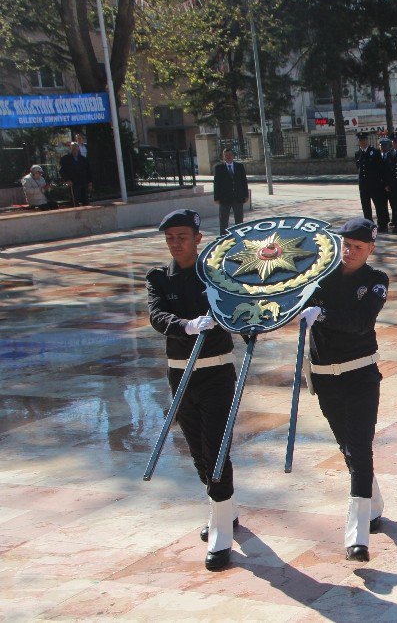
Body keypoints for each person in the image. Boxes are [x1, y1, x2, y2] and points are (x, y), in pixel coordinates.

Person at [146, 209, 239, 570]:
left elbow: (238, 307)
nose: (175, 242)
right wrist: (185, 325)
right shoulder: (159, 277)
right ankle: (225, 509)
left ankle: (221, 535)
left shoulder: (215, 274)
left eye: (182, 236)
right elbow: (156, 315)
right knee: (198, 450)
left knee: (217, 450)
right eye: (170, 237)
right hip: (180, 372)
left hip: (216, 371)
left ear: (198, 238)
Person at [299, 217, 388, 562]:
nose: (350, 253)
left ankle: (357, 538)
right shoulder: (319, 277)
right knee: (348, 449)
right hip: (324, 377)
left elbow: (360, 322)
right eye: (346, 245)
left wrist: (319, 314)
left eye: (358, 248)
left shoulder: (376, 280)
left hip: (360, 375)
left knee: (360, 449)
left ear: (370, 250)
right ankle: (374, 503)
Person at [356, 133, 389, 231]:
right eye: (361, 140)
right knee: (366, 206)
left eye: (364, 140)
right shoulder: (358, 153)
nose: (363, 142)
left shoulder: (374, 152)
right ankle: (369, 225)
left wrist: (383, 183)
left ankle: (383, 225)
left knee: (379, 206)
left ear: (367, 140)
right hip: (363, 185)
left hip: (375, 184)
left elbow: (380, 168)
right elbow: (359, 168)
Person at [213, 148, 249, 230]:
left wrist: (246, 195)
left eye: (230, 155)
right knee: (223, 221)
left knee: (239, 221)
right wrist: (216, 198)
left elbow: (244, 181)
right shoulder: (219, 168)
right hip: (224, 198)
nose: (228, 157)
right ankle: (223, 239)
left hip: (238, 197)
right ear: (223, 157)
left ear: (233, 156)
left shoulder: (240, 166)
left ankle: (239, 238)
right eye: (226, 155)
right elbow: (216, 184)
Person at [60, 141, 92, 206]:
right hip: (73, 183)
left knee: (85, 200)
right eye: (73, 147)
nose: (75, 149)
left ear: (78, 148)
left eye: (76, 147)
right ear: (70, 148)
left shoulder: (84, 159)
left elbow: (89, 171)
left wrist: (90, 182)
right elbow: (62, 171)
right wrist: (67, 180)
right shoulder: (65, 159)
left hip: (83, 182)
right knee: (74, 201)